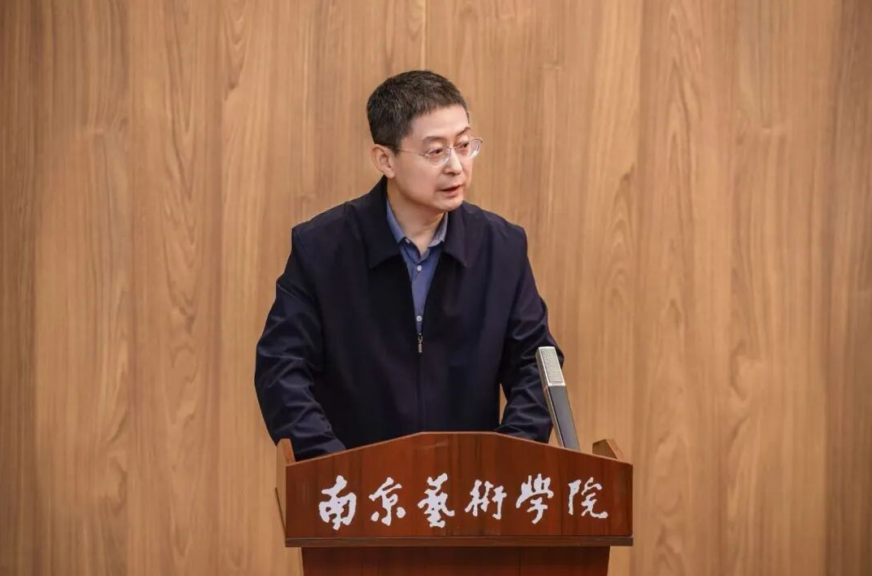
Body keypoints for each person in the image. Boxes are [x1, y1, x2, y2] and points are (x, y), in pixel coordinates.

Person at [255, 70, 563, 461]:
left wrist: (505, 459)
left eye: (464, 145)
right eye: (436, 151)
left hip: (470, 483)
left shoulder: (501, 247)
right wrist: (333, 466)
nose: (456, 166)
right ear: (385, 159)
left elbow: (536, 364)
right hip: (356, 482)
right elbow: (281, 368)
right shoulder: (322, 248)